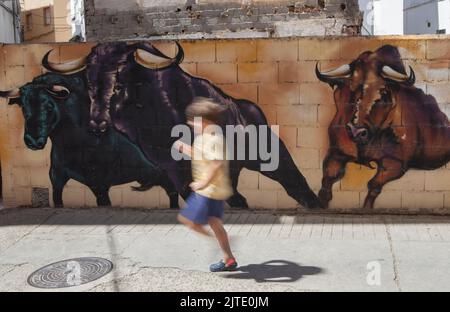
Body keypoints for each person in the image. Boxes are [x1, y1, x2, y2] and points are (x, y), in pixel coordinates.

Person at [174, 97, 238, 272]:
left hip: (209, 191)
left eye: (192, 121)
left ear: (202, 121)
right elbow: (201, 154)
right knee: (215, 223)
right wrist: (185, 149)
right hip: (213, 190)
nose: (189, 124)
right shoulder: (205, 137)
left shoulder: (214, 139)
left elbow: (216, 163)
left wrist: (203, 182)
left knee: (187, 219)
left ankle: (216, 242)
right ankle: (229, 259)